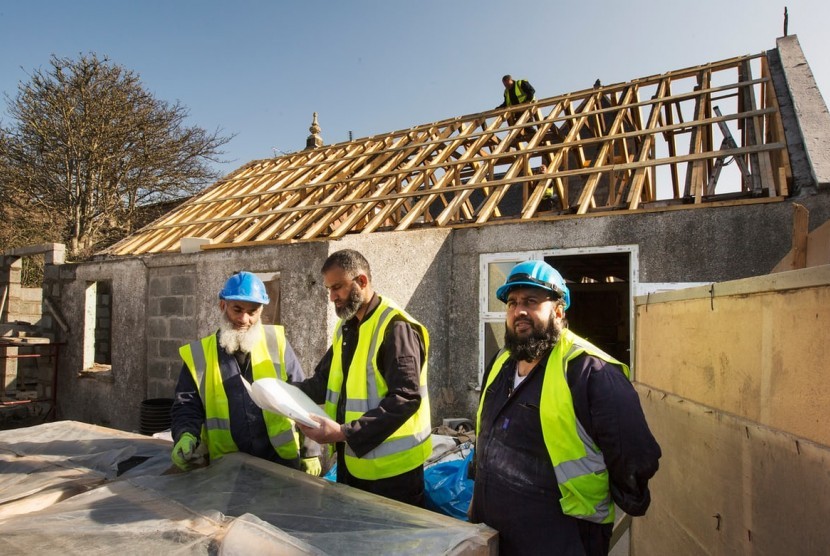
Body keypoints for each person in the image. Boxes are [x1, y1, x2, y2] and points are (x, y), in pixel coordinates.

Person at [470, 260, 661, 555]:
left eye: (531, 301)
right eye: (512, 302)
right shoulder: (500, 362)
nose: (519, 311)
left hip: (562, 536)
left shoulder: (590, 371)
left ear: (558, 310)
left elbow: (634, 454)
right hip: (495, 530)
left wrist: (626, 497)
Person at [294, 249, 432, 507]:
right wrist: (283, 394)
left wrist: (344, 433)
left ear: (362, 281)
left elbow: (405, 398)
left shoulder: (396, 328)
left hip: (393, 475)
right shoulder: (346, 327)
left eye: (338, 287)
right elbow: (322, 382)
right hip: (354, 462)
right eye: (329, 289)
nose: (332, 297)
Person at [170, 271, 321, 475]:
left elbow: (302, 398)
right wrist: (185, 435)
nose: (244, 318)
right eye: (237, 309)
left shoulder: (277, 343)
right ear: (223, 306)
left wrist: (310, 450)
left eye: (253, 311)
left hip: (280, 460)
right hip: (227, 465)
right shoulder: (199, 355)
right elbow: (187, 405)